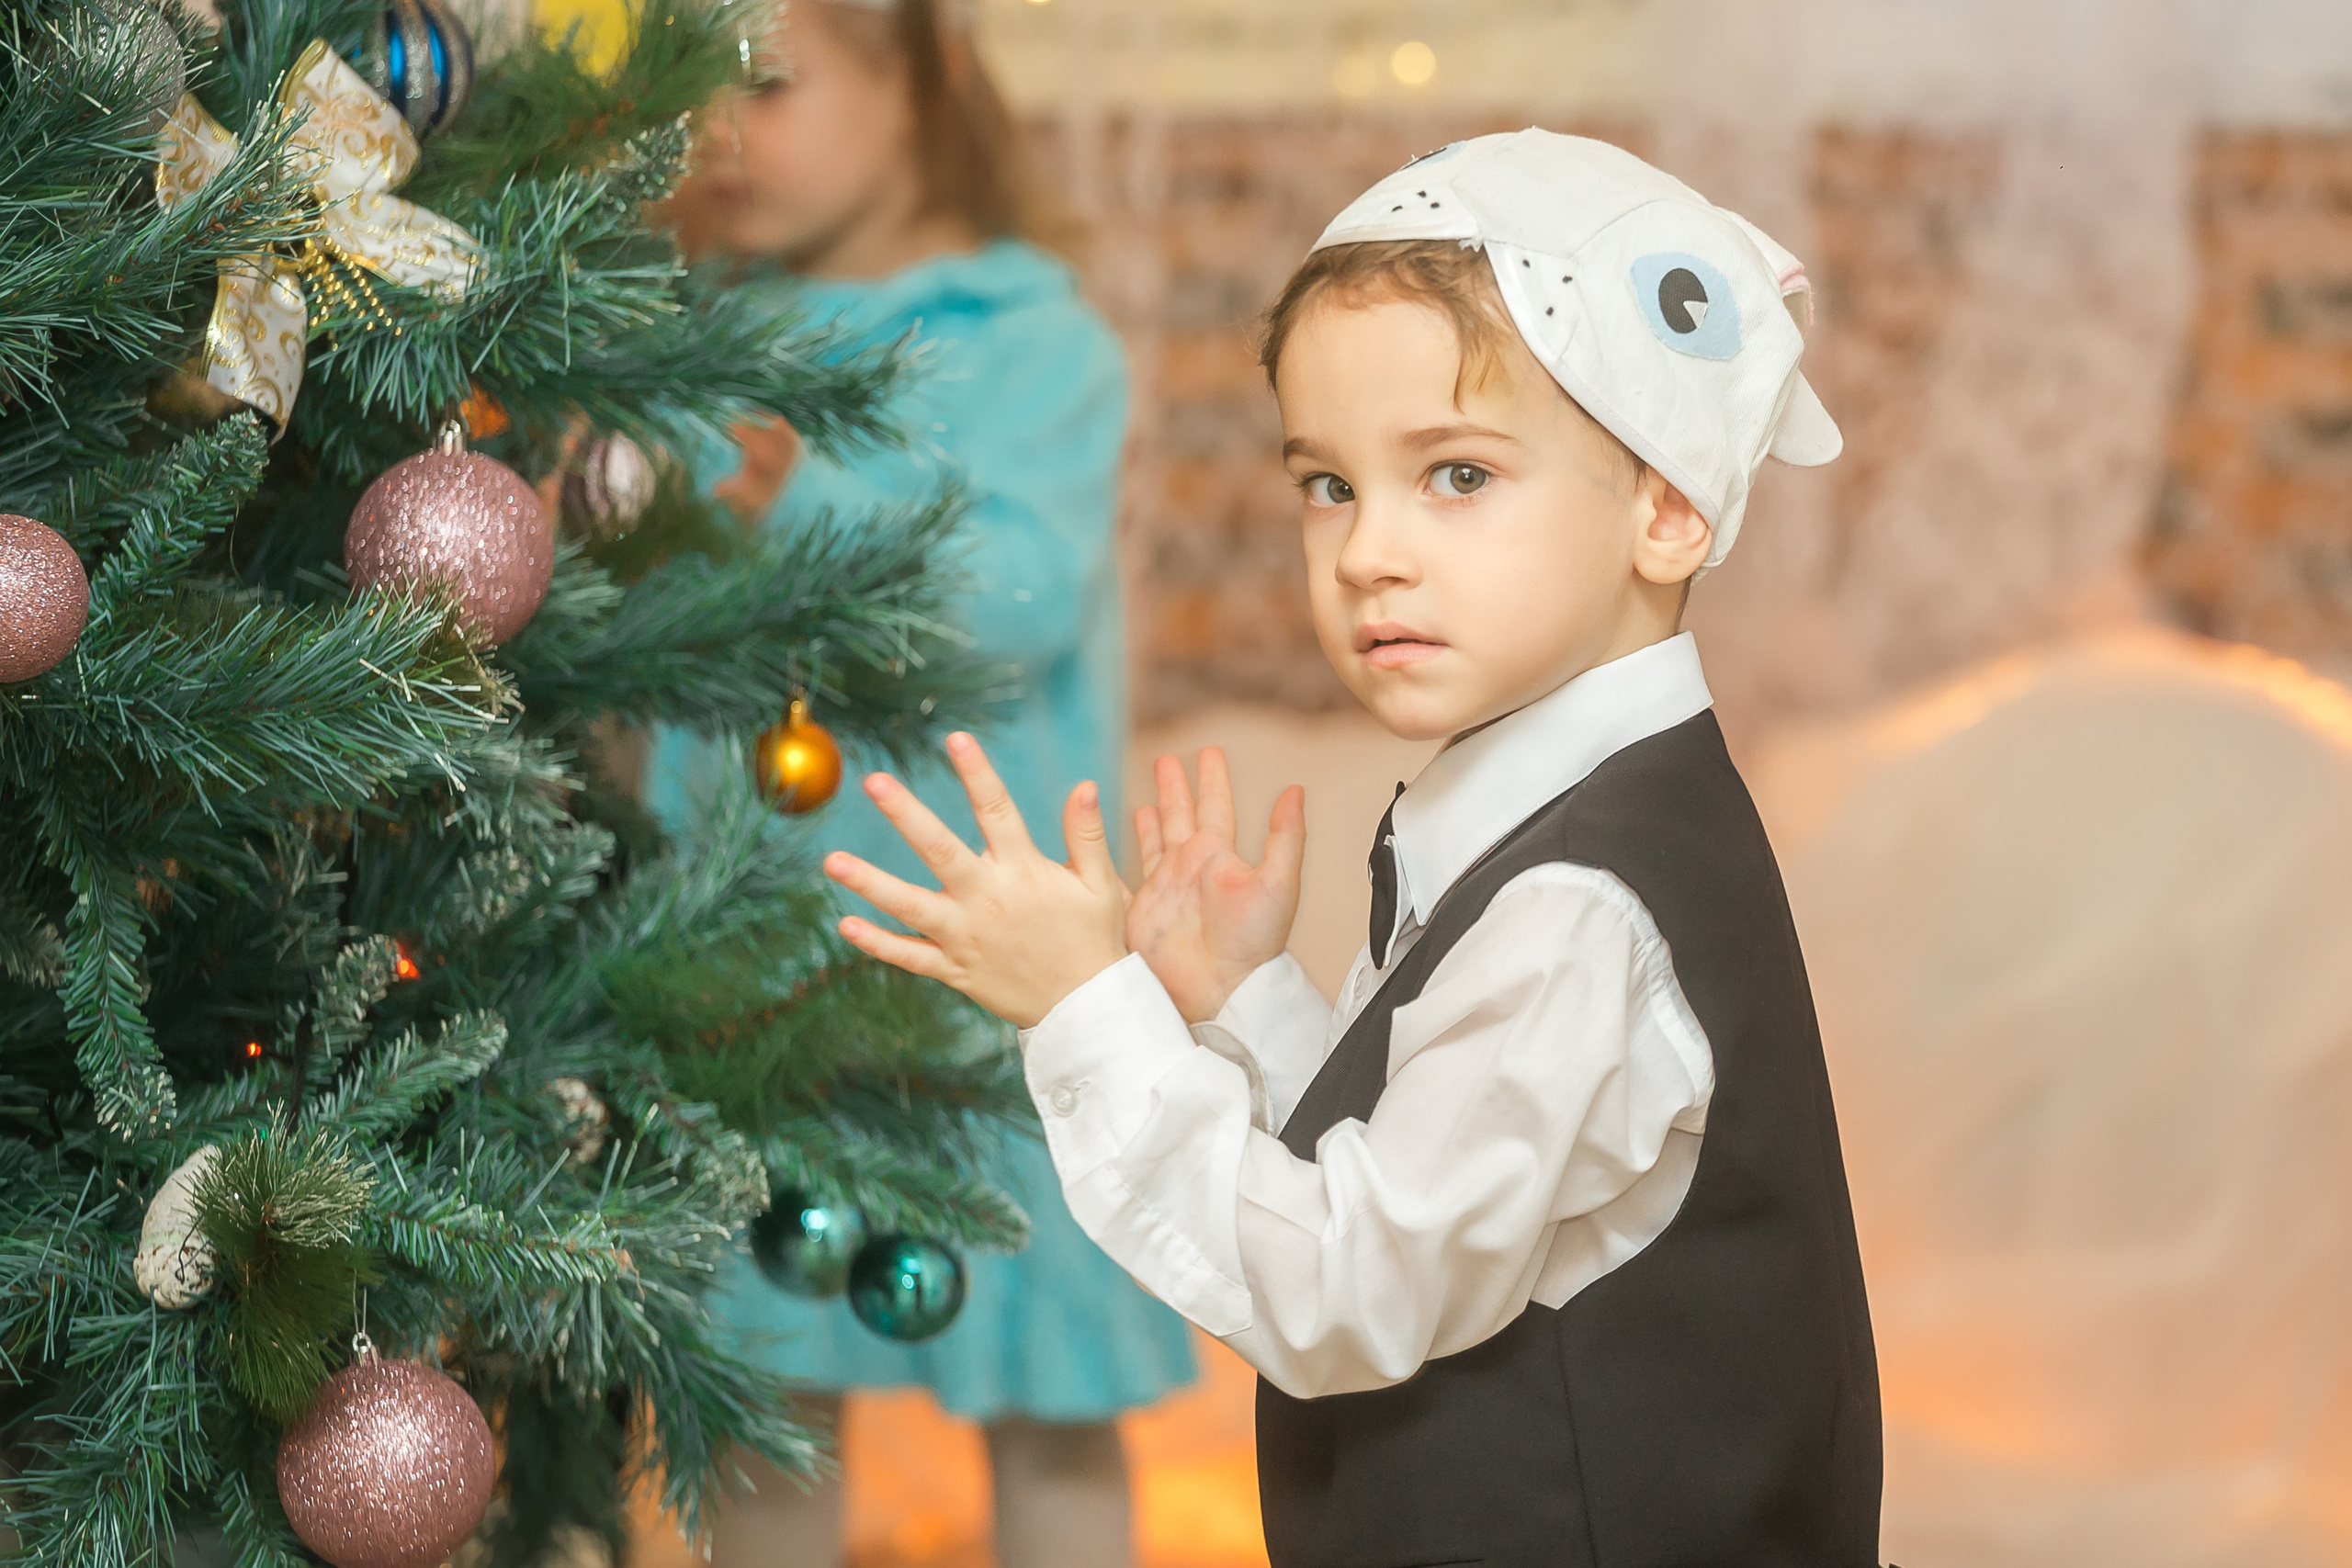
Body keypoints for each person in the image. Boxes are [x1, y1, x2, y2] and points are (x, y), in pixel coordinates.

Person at [820, 131, 1885, 1565]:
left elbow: (1348, 1289)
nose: (1368, 550)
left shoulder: (1581, 903)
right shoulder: (1570, 813)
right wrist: (1247, 1008)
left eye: (1455, 475)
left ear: (1668, 507)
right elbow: (1468, 1175)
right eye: (1328, 485)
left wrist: (1090, 1009)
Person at [643, 3, 1195, 1565]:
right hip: (748, 967)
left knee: (1053, 1392)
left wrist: (807, 492)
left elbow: (1021, 601)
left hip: (989, 978)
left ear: (922, 79)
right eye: (700, 94)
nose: (724, 130)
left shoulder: (1034, 344)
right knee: (768, 1386)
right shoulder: (701, 340)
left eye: (770, 82)